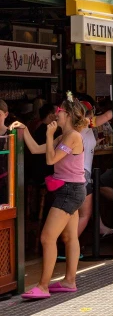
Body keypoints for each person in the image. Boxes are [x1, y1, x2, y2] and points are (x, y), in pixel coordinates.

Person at [11, 94, 87, 298]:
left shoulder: (72, 136)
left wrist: (48, 134)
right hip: (70, 190)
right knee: (70, 237)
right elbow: (36, 150)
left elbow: (51, 160)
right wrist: (24, 128)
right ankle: (69, 281)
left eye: (60, 111)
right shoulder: (63, 137)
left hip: (69, 191)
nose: (56, 114)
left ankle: (43, 286)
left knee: (47, 237)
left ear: (69, 115)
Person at [76, 101, 113, 240]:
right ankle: (67, 247)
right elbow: (107, 115)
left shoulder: (75, 128)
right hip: (82, 174)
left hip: (75, 174)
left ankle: (100, 227)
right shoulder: (86, 124)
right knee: (84, 215)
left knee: (78, 213)